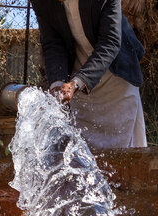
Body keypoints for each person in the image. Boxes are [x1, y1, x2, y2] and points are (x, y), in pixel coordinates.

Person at [30, 0, 147, 148]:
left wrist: (78, 82)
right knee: (82, 153)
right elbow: (53, 43)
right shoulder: (41, 2)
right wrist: (58, 84)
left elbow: (110, 42)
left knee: (126, 151)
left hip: (116, 78)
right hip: (78, 82)